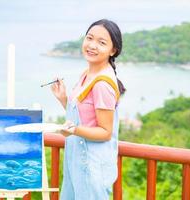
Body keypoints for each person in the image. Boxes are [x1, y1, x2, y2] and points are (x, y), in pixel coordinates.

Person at [51, 19, 126, 200]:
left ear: (113, 50)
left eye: (101, 42)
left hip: (91, 167)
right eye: (89, 38)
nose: (92, 45)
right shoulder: (87, 74)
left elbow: (105, 132)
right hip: (77, 163)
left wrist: (74, 130)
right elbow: (86, 117)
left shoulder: (102, 84)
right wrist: (64, 99)